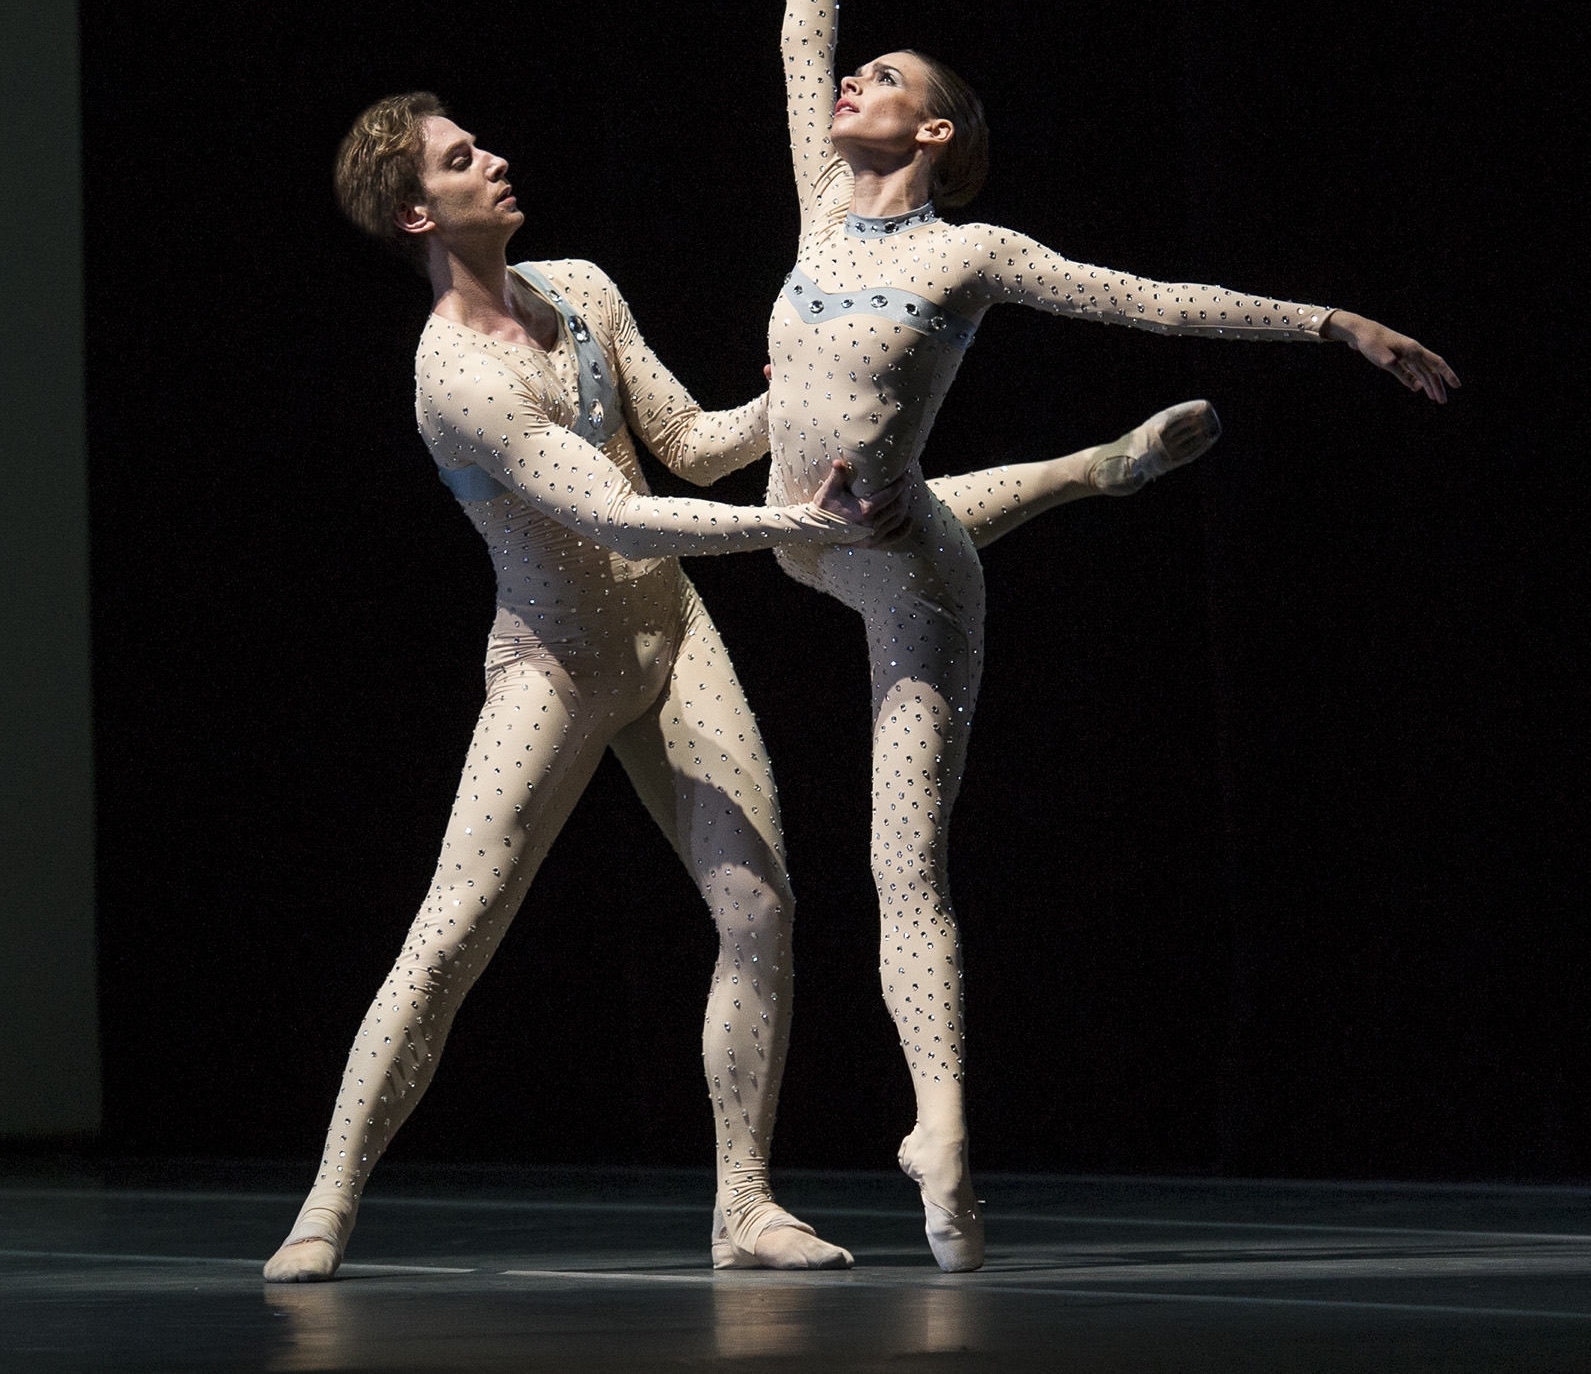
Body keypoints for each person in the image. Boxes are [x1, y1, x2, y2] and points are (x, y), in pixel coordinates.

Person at [263, 92, 1202, 1284]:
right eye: (460, 159)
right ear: (416, 213)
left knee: (759, 910)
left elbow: (691, 444)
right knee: (455, 927)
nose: (492, 158)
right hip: (552, 661)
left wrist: (787, 400)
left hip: (669, 634)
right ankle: (328, 1202)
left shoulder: (580, 289)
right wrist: (797, 522)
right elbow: (616, 512)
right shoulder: (455, 374)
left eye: (479, 142)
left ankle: (742, 1202)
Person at [749, 0, 1459, 1273]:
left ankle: (942, 1131)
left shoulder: (972, 251)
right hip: (795, 535)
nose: (851, 82)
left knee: (899, 860)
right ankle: (1096, 467)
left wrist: (1328, 321)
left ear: (933, 127)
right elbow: (801, 41)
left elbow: (1151, 300)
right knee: (948, 510)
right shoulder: (818, 201)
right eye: (858, 73)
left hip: (903, 574)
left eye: (884, 78)